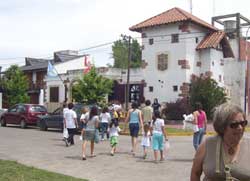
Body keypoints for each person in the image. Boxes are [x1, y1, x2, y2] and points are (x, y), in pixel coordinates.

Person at [191, 103, 250, 181]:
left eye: (243, 123)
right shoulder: (207, 145)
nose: (240, 128)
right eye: (234, 124)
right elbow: (195, 173)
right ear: (222, 126)